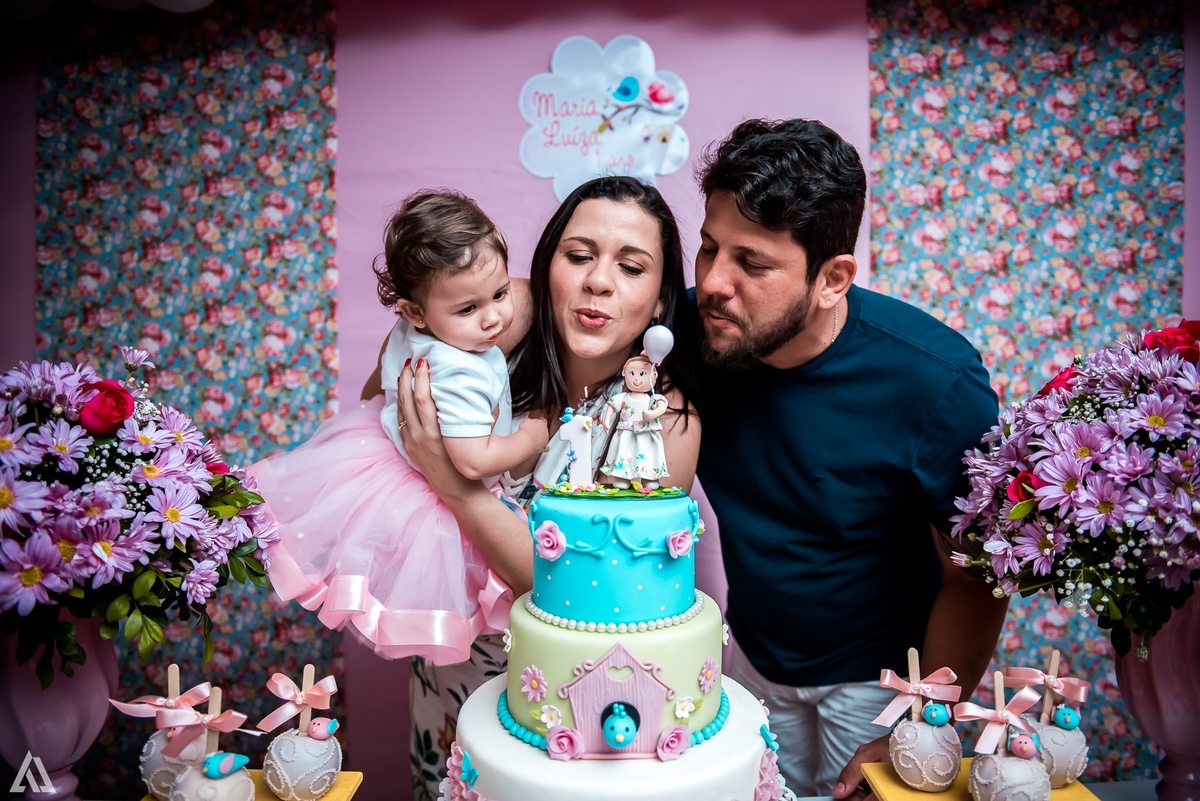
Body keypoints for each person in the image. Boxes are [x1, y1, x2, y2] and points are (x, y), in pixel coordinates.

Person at [690, 118, 1009, 798]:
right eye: (708, 248)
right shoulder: (691, 335)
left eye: (751, 263)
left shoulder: (938, 384)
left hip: (884, 678)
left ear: (832, 278)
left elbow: (976, 576)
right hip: (747, 654)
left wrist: (925, 718)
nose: (713, 282)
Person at [365, 175, 702, 800]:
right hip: (448, 662)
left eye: (631, 267)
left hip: (557, 702)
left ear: (661, 300)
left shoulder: (662, 424)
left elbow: (573, 585)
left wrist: (455, 486)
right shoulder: (497, 324)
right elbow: (385, 388)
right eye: (577, 257)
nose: (597, 281)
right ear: (545, 270)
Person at [252, 189, 548, 667]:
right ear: (415, 311)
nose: (494, 317)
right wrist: (530, 438)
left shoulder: (418, 330)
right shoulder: (462, 368)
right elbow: (473, 461)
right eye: (468, 309)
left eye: (499, 295)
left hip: (379, 454)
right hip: (430, 486)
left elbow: (373, 392)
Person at [597, 352, 671, 487]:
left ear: (654, 376)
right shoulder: (623, 397)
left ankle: (649, 478)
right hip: (626, 435)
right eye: (632, 373)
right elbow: (612, 406)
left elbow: (662, 406)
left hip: (645, 434)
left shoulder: (651, 398)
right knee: (625, 455)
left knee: (646, 456)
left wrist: (652, 414)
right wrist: (606, 421)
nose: (636, 379)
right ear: (625, 374)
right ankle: (622, 478)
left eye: (642, 374)